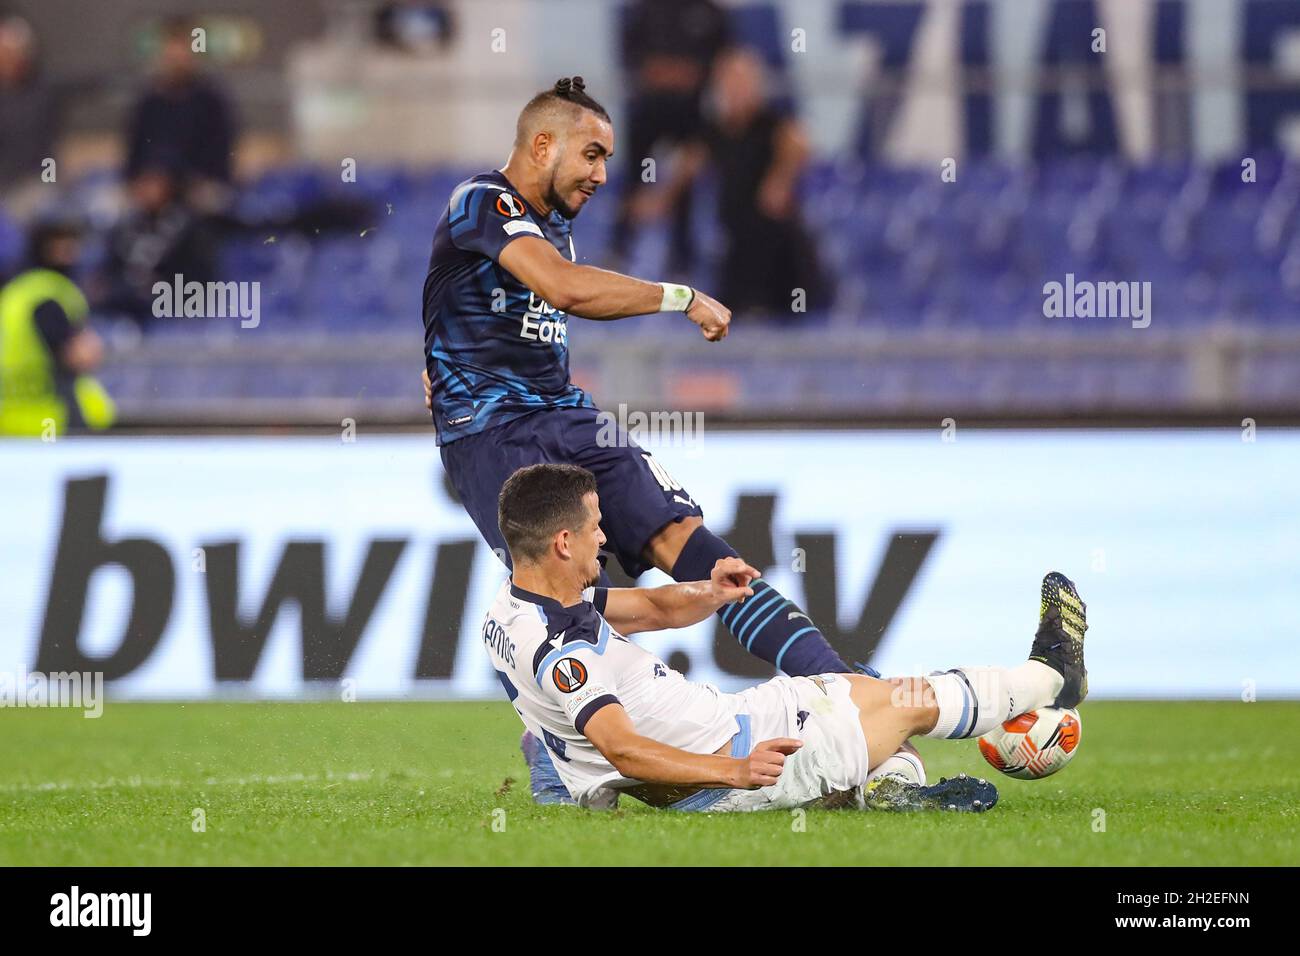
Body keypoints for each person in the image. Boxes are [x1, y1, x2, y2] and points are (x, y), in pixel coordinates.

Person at [421, 76, 861, 804]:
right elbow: (564, 290)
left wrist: (430, 353)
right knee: (566, 595)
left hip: (565, 412)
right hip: (490, 433)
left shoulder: (548, 221)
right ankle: (555, 749)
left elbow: (454, 297)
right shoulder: (483, 200)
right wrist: (680, 296)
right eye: (591, 154)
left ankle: (843, 689)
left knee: (693, 544)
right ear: (542, 144)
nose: (602, 173)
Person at [483, 463, 1090, 812]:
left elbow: (653, 607)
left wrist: (712, 592)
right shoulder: (563, 650)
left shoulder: (517, 609)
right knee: (907, 702)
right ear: (563, 542)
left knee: (861, 693)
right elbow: (623, 751)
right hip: (730, 750)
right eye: (594, 529)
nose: (605, 540)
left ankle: (885, 789)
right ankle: (1053, 675)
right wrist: (738, 771)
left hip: (728, 721)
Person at [637, 48, 828, 317]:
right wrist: (662, 197)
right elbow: (689, 163)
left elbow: (799, 144)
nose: (736, 90)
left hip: (777, 247)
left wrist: (779, 181)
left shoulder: (771, 124)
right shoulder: (717, 130)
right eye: (729, 83)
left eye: (742, 82)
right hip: (738, 246)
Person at [610, 0, 729, 275]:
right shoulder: (646, 10)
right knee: (633, 178)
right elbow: (630, 55)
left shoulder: (711, 13)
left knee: (685, 183)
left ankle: (682, 256)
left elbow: (724, 60)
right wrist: (658, 72)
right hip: (648, 110)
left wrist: (692, 74)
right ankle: (619, 247)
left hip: (691, 113)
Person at [0, 215, 115, 436]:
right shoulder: (50, 293)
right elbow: (79, 356)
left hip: (9, 424)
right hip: (54, 421)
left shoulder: (14, 293)